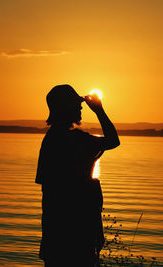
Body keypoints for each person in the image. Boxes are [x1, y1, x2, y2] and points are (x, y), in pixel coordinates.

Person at [35, 84, 120, 267]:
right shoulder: (74, 140)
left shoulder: (50, 140)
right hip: (77, 235)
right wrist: (99, 111)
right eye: (77, 104)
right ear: (67, 108)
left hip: (55, 234)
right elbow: (113, 141)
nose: (81, 108)